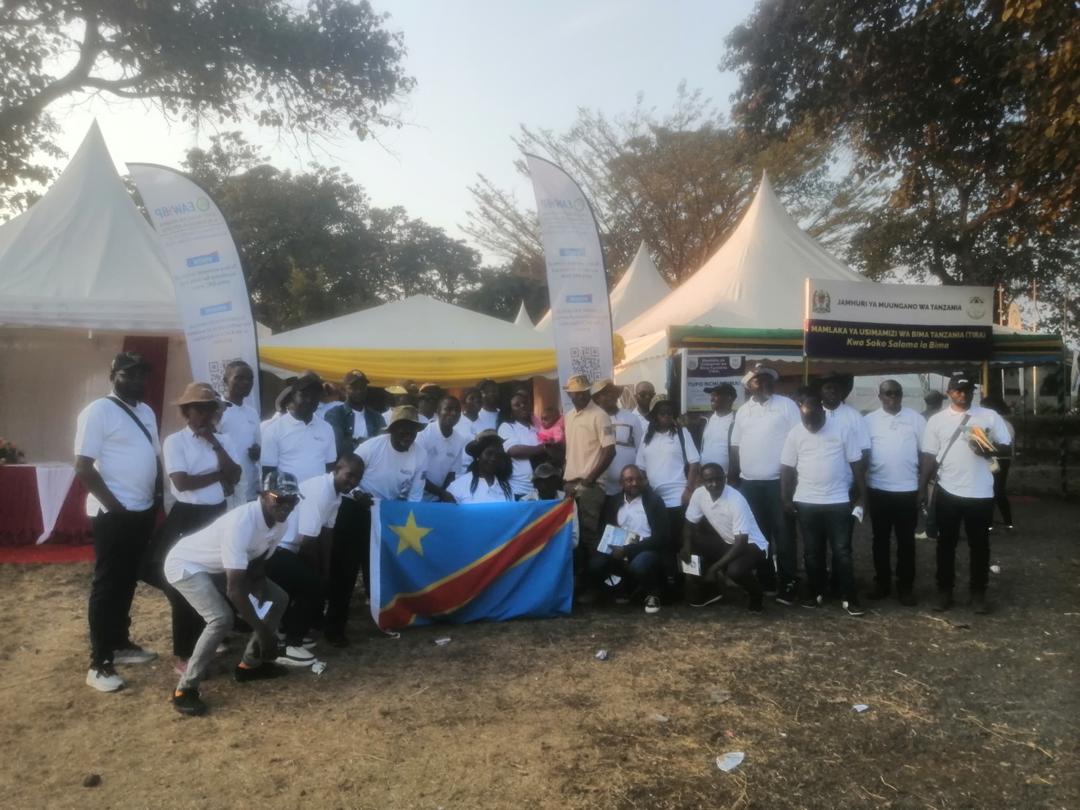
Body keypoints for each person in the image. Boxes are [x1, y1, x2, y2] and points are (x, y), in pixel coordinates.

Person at [164, 471, 300, 716]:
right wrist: (264, 633)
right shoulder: (242, 523)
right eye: (280, 498)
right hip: (186, 564)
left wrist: (259, 593)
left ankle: (250, 666)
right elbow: (234, 589)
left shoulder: (281, 523)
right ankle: (185, 689)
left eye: (293, 500)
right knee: (221, 618)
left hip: (221, 566)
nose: (287, 506)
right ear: (262, 495)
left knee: (278, 598)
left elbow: (257, 565)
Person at [74, 351, 162, 692]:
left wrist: (156, 499)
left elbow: (154, 457)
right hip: (113, 514)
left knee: (127, 581)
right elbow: (83, 466)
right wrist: (115, 507)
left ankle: (120, 643)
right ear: (113, 377)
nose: (138, 380)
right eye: (129, 374)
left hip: (142, 510)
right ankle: (99, 663)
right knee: (108, 584)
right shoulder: (98, 411)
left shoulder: (147, 412)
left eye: (142, 374)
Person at [155, 382, 242, 673]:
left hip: (216, 515)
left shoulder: (223, 440)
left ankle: (212, 634)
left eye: (209, 408)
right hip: (188, 517)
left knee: (215, 577)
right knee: (185, 583)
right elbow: (182, 482)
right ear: (186, 412)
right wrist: (219, 475)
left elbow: (236, 474)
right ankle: (183, 653)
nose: (205, 414)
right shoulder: (175, 442)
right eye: (198, 409)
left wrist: (214, 444)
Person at [325, 406, 426, 645]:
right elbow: (347, 475)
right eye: (402, 429)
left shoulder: (420, 454)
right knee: (345, 572)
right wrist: (357, 493)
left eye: (412, 430)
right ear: (392, 430)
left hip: (387, 515)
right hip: (354, 508)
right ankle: (334, 629)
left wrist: (403, 517)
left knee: (379, 571)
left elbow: (415, 495)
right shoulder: (371, 447)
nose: (407, 435)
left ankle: (383, 620)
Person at [919, 374, 1011, 614]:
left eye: (968, 390)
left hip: (981, 493)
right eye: (958, 390)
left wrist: (988, 448)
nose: (963, 394)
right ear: (949, 393)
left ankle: (978, 594)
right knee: (945, 545)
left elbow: (1006, 445)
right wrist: (921, 489)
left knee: (979, 546)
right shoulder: (937, 421)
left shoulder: (989, 416)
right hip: (948, 491)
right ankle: (944, 592)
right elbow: (929, 456)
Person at [269, 454, 364, 664]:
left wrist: (326, 571)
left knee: (320, 581)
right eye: (349, 475)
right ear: (337, 469)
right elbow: (308, 543)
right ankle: (292, 644)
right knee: (313, 585)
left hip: (292, 548)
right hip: (278, 548)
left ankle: (288, 631)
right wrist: (318, 577)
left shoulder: (336, 495)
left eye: (358, 478)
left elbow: (327, 534)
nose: (353, 482)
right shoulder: (320, 491)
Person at [781, 394, 867, 615]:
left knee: (842, 551)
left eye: (814, 421)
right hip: (806, 501)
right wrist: (785, 498)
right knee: (812, 552)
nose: (810, 426)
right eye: (805, 421)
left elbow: (857, 465)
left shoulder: (842, 429)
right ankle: (817, 591)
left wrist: (862, 497)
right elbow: (787, 468)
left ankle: (849, 596)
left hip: (838, 500)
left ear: (822, 411)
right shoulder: (795, 433)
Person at [729, 363, 802, 605]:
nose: (764, 383)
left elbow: (798, 440)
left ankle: (789, 583)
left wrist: (794, 480)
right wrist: (734, 477)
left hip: (779, 483)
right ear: (748, 385)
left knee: (784, 535)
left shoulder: (787, 405)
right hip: (749, 484)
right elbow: (735, 446)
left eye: (768, 379)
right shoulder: (743, 411)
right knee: (759, 537)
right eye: (758, 380)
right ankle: (767, 579)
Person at [863, 380, 926, 605]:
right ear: (879, 396)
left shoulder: (916, 419)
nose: (892, 397)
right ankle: (882, 583)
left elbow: (925, 454)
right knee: (880, 540)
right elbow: (863, 456)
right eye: (888, 393)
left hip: (907, 490)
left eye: (896, 393)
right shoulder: (868, 421)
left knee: (906, 541)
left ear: (902, 395)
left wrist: (922, 487)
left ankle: (905, 587)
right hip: (878, 489)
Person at [682, 463, 769, 612]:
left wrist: (714, 568)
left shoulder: (736, 500)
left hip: (752, 545)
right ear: (702, 481)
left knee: (735, 571)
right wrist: (686, 546)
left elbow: (741, 542)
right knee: (691, 543)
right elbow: (689, 524)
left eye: (718, 479)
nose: (714, 484)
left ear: (725, 478)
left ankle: (756, 594)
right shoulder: (699, 494)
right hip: (728, 541)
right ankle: (710, 590)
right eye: (709, 480)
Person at [590, 464, 668, 613]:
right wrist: (609, 546)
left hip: (645, 549)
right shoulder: (613, 501)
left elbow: (661, 537)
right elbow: (603, 528)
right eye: (629, 480)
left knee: (640, 565)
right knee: (595, 565)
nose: (635, 483)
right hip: (617, 549)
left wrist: (627, 550)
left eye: (638, 479)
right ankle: (621, 588)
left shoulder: (654, 501)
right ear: (621, 482)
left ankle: (652, 593)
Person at [562, 374, 617, 584]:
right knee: (573, 535)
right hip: (570, 484)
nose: (581, 396)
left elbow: (610, 451)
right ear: (570, 395)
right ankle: (581, 582)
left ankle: (600, 583)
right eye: (576, 393)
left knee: (589, 534)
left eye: (584, 392)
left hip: (590, 484)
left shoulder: (600, 415)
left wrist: (589, 479)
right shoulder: (568, 416)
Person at [635, 396, 701, 566]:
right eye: (662, 412)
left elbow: (694, 463)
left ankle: (684, 578)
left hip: (678, 497)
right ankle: (667, 577)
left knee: (680, 540)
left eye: (670, 412)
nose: (666, 415)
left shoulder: (681, 433)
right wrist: (646, 490)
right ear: (655, 415)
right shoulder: (647, 437)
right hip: (656, 499)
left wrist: (689, 489)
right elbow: (640, 466)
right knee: (661, 541)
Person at [261, 372, 336, 485]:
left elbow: (330, 467)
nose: (309, 400)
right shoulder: (274, 429)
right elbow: (268, 473)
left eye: (315, 396)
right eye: (304, 395)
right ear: (293, 396)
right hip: (287, 494)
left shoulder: (327, 429)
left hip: (319, 494)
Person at [217, 360, 261, 507]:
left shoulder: (252, 413)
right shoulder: (217, 411)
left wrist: (257, 452)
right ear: (225, 380)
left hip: (251, 489)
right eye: (239, 378)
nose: (246, 382)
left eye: (250, 378)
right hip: (227, 490)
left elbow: (258, 445)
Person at [592, 379, 641, 498]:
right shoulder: (593, 420)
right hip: (601, 486)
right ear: (597, 398)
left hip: (628, 486)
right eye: (604, 393)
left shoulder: (631, 418)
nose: (610, 396)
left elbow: (640, 449)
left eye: (612, 392)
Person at [324, 369, 386, 459]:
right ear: (344, 390)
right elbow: (338, 447)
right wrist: (368, 442)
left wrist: (355, 441)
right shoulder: (335, 414)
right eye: (354, 387)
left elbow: (382, 445)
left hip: (371, 465)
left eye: (362, 387)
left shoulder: (377, 417)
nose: (359, 391)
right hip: (344, 465)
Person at [416, 395, 466, 501]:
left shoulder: (459, 440)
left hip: (437, 497)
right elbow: (417, 474)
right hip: (416, 496)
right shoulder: (423, 435)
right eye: (448, 409)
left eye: (457, 410)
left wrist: (443, 494)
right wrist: (441, 493)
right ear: (438, 411)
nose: (453, 413)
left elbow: (452, 473)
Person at [447, 430, 516, 503]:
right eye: (489, 453)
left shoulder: (506, 488)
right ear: (478, 455)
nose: (493, 458)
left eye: (498, 455)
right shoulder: (458, 485)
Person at [498, 391, 544, 498]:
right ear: (510, 410)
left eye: (525, 403)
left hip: (541, 487)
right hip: (520, 488)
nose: (523, 406)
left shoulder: (536, 428)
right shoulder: (507, 427)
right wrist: (543, 448)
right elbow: (514, 450)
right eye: (517, 405)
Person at [979, 395, 1015, 530]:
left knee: (995, 490)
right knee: (997, 490)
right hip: (1001, 460)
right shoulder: (1005, 423)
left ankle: (995, 522)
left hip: (997, 460)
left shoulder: (999, 424)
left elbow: (1003, 445)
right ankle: (1006, 522)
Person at [699, 383, 737, 474]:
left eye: (715, 395)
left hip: (727, 476)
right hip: (705, 475)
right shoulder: (705, 420)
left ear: (729, 398)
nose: (711, 399)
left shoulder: (737, 420)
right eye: (711, 395)